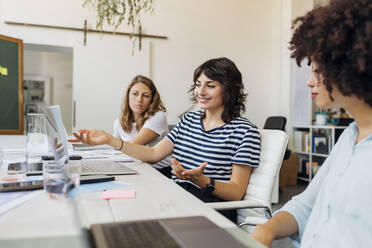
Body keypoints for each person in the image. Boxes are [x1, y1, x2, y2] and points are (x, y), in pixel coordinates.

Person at [71, 57, 261, 222]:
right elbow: (153, 153)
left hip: (210, 206)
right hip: (177, 196)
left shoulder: (245, 131)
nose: (201, 91)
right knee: (108, 207)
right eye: (198, 84)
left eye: (210, 86)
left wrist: (202, 180)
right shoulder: (189, 120)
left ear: (229, 90)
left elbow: (236, 191)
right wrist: (111, 140)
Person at [251, 0, 372, 247]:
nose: (309, 82)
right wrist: (265, 231)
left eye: (318, 72)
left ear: (351, 68)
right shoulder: (349, 137)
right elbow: (307, 204)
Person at [113, 75, 172, 177]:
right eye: (135, 94)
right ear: (128, 96)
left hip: (160, 171)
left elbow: (133, 145)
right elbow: (115, 149)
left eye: (145, 95)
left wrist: (108, 140)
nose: (139, 99)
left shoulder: (158, 116)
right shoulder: (119, 122)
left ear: (152, 99)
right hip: (133, 168)